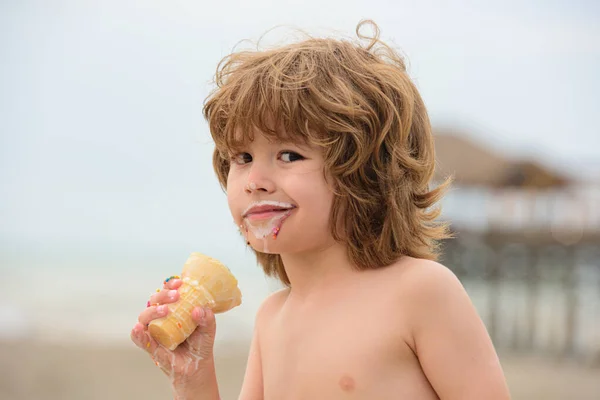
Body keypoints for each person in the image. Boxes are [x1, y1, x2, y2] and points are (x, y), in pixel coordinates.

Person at [131, 20, 511, 400]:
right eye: (242, 157)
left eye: (289, 155)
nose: (254, 180)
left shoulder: (420, 292)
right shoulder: (272, 318)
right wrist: (193, 380)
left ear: (367, 173)